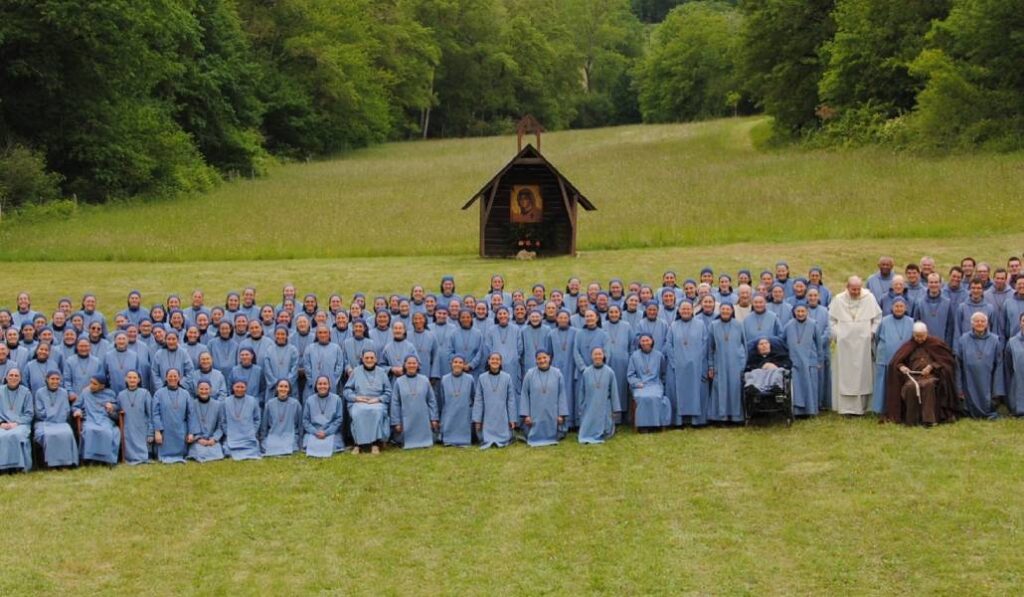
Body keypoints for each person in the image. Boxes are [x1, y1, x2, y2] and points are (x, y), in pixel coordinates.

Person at [883, 322, 959, 426]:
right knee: (910, 387)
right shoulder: (908, 346)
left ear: (926, 333)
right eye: (917, 337)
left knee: (928, 385)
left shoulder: (936, 344)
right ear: (913, 335)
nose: (920, 339)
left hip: (931, 376)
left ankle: (929, 420)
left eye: (922, 336)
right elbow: (896, 361)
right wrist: (902, 367)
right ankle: (911, 420)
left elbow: (946, 360)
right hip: (912, 377)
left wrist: (931, 366)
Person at [829, 276, 882, 415]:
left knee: (863, 376)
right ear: (847, 287)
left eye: (858, 289)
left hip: (863, 345)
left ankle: (863, 407)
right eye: (853, 289)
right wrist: (838, 335)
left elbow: (877, 318)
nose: (856, 292)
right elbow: (831, 320)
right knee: (845, 376)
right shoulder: (839, 299)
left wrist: (871, 332)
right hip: (845, 345)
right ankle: (846, 408)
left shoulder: (869, 298)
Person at [666, 301, 709, 427]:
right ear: (678, 311)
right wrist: (675, 363)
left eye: (688, 309)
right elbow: (669, 345)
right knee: (678, 392)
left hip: (696, 365)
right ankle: (679, 421)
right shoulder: (673, 325)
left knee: (696, 392)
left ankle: (697, 421)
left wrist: (698, 360)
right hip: (678, 366)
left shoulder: (700, 325)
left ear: (692, 310)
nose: (685, 311)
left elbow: (704, 343)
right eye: (683, 309)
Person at [955, 312, 1005, 420]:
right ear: (971, 324)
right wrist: (959, 388)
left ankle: (987, 411)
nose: (980, 324)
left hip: (988, 380)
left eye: (983, 321)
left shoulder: (995, 340)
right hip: (969, 379)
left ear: (987, 324)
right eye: (977, 321)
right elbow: (958, 364)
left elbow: (999, 365)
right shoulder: (963, 340)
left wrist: (997, 389)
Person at [343, 349, 392, 454]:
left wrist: (378, 399)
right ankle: (358, 444)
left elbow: (388, 391)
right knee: (358, 412)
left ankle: (375, 443)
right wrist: (356, 398)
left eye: (371, 358)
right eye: (366, 358)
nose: (369, 360)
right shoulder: (356, 371)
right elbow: (347, 390)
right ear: (362, 359)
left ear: (376, 359)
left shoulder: (382, 372)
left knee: (376, 412)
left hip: (377, 401)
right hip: (359, 401)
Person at [872, 298, 915, 414]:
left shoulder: (911, 322)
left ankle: (900, 409)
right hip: (885, 358)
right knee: (883, 384)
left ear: (905, 308)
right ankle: (881, 409)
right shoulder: (884, 321)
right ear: (892, 308)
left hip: (902, 360)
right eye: (896, 306)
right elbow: (876, 338)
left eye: (901, 306)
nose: (899, 309)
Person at [520, 350, 568, 447]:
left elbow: (562, 395)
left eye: (544, 358)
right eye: (539, 358)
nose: (542, 360)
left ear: (549, 358)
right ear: (536, 361)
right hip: (535, 414)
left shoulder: (557, 374)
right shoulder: (530, 374)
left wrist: (561, 415)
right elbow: (524, 395)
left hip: (553, 415)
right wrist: (526, 416)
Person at [707, 304, 746, 423]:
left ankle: (736, 417)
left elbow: (744, 344)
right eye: (723, 309)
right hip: (720, 361)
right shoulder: (713, 325)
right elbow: (710, 348)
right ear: (719, 311)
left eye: (728, 309)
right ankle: (721, 417)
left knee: (735, 388)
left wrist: (743, 363)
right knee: (720, 388)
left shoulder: (739, 324)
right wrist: (711, 366)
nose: (725, 311)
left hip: (736, 362)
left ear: (732, 311)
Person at [390, 355, 438, 450]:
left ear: (418, 365)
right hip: (406, 419)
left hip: (423, 419)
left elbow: (431, 401)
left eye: (414, 363)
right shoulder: (399, 382)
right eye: (409, 363)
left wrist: (434, 419)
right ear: (405, 365)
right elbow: (395, 403)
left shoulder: (424, 380)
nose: (412, 365)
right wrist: (396, 422)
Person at [33, 369, 78, 467]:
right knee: (49, 435)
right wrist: (54, 415)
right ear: (47, 380)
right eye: (52, 379)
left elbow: (66, 411)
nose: (55, 381)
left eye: (57, 379)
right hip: (44, 422)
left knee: (67, 433)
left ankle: (66, 463)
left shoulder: (64, 392)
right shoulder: (39, 393)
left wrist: (56, 416)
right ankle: (50, 464)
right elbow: (39, 412)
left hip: (61, 422)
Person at [783, 304, 822, 416]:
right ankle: (797, 411)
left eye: (802, 311)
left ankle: (811, 410)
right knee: (797, 387)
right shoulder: (789, 325)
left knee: (810, 386)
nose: (800, 314)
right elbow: (783, 341)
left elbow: (819, 344)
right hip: (794, 362)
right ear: (794, 312)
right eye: (798, 311)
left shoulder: (813, 324)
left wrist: (819, 360)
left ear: (807, 312)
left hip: (810, 361)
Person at [471, 353, 517, 448]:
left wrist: (512, 419)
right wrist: (477, 420)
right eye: (492, 359)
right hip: (487, 415)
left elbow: (511, 400)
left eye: (497, 359)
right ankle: (488, 438)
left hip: (502, 415)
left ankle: (503, 438)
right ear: (488, 361)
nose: (495, 361)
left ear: (500, 362)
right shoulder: (482, 378)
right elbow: (478, 400)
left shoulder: (507, 377)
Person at [73, 372, 120, 465]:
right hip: (90, 419)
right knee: (89, 430)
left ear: (102, 386)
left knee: (107, 432)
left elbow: (116, 408)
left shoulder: (110, 393)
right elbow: (76, 405)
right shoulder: (85, 392)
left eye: (95, 384)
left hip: (105, 420)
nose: (91, 385)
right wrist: (77, 411)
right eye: (90, 382)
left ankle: (105, 460)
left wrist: (112, 407)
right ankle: (90, 459)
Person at [627, 333, 671, 429]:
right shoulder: (634, 356)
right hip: (640, 384)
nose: (645, 343)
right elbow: (630, 374)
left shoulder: (659, 355)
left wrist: (660, 384)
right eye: (643, 341)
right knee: (642, 397)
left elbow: (663, 373)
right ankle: (642, 426)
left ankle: (655, 424)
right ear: (639, 342)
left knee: (655, 396)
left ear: (652, 341)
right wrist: (637, 383)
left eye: (647, 340)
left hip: (655, 384)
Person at [576, 347, 619, 444]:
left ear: (603, 356)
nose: (598, 356)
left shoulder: (610, 372)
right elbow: (582, 392)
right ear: (591, 356)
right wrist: (581, 407)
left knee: (606, 431)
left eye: (600, 354)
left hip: (605, 405)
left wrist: (615, 409)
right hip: (590, 406)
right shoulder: (586, 372)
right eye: (595, 354)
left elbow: (614, 392)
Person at [152, 369, 189, 463]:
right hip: (165, 431)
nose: (173, 378)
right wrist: (157, 432)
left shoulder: (185, 393)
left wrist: (191, 433)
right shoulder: (158, 393)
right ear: (166, 378)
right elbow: (155, 413)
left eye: (175, 376)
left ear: (179, 378)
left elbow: (190, 414)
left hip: (180, 430)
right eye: (170, 376)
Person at [302, 375, 345, 457]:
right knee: (306, 444)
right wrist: (315, 432)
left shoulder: (337, 399)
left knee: (336, 446)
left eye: (325, 384)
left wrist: (326, 432)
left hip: (331, 432)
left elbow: (339, 419)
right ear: (316, 386)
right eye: (320, 384)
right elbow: (305, 420)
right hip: (314, 432)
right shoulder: (309, 400)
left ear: (329, 385)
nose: (322, 386)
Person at [0, 369, 33, 472]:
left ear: (20, 378)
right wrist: (1, 424)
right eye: (11, 375)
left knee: (16, 435)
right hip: (2, 424)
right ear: (6, 377)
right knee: (2, 435)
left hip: (21, 424)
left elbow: (29, 414)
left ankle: (18, 467)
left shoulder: (26, 392)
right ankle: (3, 468)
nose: (13, 378)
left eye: (16, 376)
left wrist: (16, 423)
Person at [118, 370, 153, 464]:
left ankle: (143, 457)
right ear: (126, 379)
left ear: (139, 380)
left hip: (142, 427)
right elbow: (118, 414)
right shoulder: (121, 395)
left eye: (134, 378)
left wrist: (150, 432)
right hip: (128, 428)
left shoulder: (145, 393)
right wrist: (110, 410)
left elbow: (151, 414)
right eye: (129, 377)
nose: (132, 380)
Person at [223, 375, 263, 460]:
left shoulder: (253, 401)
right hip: (232, 436)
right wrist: (229, 433)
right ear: (233, 387)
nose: (239, 389)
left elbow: (257, 419)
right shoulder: (226, 401)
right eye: (237, 386)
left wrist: (252, 431)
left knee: (254, 448)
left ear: (246, 388)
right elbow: (223, 421)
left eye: (242, 387)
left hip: (248, 436)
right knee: (227, 450)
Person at [186, 380, 226, 462]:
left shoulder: (218, 405)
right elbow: (190, 423)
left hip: (212, 439)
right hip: (197, 440)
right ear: (197, 390)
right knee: (198, 451)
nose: (204, 391)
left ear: (210, 390)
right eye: (201, 389)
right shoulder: (192, 404)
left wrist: (214, 439)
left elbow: (220, 426)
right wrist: (198, 439)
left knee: (216, 451)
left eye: (206, 389)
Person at [261, 379, 302, 456]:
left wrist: (300, 441)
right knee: (266, 445)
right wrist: (263, 438)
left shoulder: (295, 404)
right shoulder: (269, 404)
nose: (283, 389)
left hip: (289, 435)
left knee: (292, 446)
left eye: (286, 387)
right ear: (277, 388)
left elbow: (299, 425)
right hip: (274, 435)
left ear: (289, 389)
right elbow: (264, 425)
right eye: (281, 386)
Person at [1006, 313, 1024, 416]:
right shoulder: (1012, 342)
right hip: (1018, 379)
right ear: (1020, 323)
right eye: (1023, 321)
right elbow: (1008, 364)